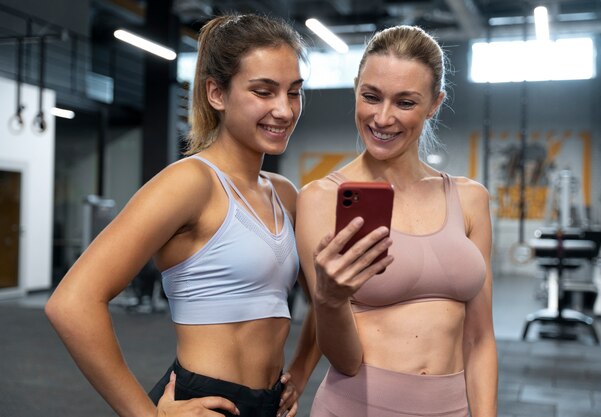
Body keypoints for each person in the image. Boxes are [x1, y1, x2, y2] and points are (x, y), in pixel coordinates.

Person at [46, 13, 319, 417]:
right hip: (205, 400)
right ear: (216, 93)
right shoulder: (190, 182)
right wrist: (146, 415)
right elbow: (71, 303)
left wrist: (298, 371)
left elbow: (328, 302)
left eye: (293, 92)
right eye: (263, 91)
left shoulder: (284, 194)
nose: (283, 110)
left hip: (269, 404)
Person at [296, 25, 498, 417]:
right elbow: (344, 359)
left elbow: (480, 339)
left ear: (435, 103)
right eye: (371, 97)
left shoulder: (470, 199)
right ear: (356, 89)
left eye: (405, 102)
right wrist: (329, 299)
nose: (383, 118)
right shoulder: (321, 199)